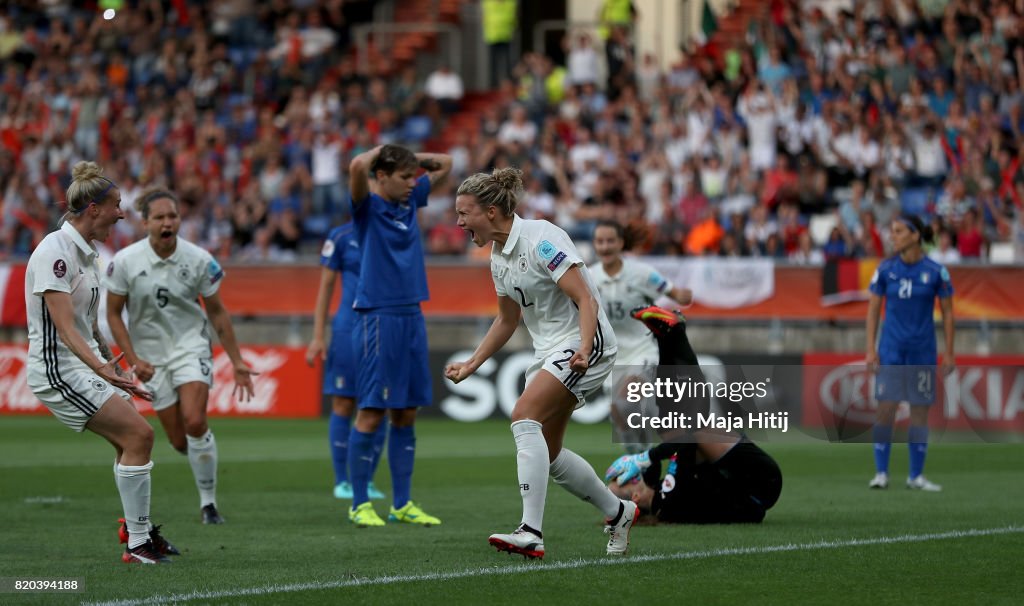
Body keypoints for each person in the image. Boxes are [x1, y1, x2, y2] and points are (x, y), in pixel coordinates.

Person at [445, 168, 637, 559]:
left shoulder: (542, 239)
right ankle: (619, 512)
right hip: (549, 350)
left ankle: (530, 531)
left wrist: (584, 347)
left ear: (493, 211)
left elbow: (586, 299)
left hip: (585, 341)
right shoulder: (498, 258)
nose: (459, 222)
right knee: (548, 453)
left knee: (523, 416)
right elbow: (508, 320)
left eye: (465, 213)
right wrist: (472, 364)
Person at [25, 161, 177, 564]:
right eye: (116, 205)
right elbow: (65, 328)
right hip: (56, 369)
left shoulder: (89, 255)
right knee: (139, 436)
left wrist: (115, 366)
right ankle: (139, 543)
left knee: (129, 440)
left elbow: (89, 325)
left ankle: (136, 532)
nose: (122, 213)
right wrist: (100, 369)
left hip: (81, 363)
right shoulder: (53, 254)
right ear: (93, 209)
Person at [105, 188, 256, 525]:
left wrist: (238, 361)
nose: (167, 222)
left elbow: (218, 314)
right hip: (149, 358)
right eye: (159, 217)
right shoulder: (125, 262)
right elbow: (114, 314)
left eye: (172, 216)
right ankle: (203, 454)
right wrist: (132, 358)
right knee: (177, 441)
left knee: (195, 420)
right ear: (145, 222)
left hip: (191, 347)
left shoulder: (200, 260)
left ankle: (208, 505)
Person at [345, 144, 452, 527]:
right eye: (404, 177)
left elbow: (447, 162)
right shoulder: (366, 208)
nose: (413, 183)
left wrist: (408, 160)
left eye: (413, 177)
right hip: (377, 315)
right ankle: (359, 503)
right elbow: (358, 164)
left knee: (406, 412)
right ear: (381, 176)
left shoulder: (409, 203)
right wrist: (388, 155)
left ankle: (402, 503)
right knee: (372, 411)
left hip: (411, 313)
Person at [866, 213, 955, 491]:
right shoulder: (885, 269)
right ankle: (881, 473)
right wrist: (870, 348)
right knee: (886, 409)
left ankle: (915, 476)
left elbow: (949, 313)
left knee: (919, 413)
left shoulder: (936, 271)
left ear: (915, 235)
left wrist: (950, 352)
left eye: (898, 231)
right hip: (891, 349)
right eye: (892, 231)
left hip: (922, 351)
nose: (892, 236)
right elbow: (872, 310)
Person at [590, 220, 692, 450]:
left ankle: (645, 459)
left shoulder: (641, 273)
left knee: (627, 401)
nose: (605, 247)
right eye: (600, 241)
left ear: (621, 243)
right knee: (620, 415)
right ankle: (639, 458)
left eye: (610, 241)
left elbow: (672, 292)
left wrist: (682, 296)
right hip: (611, 357)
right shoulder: (589, 278)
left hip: (642, 351)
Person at [305, 221, 388, 501]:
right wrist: (318, 336)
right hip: (347, 328)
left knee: (380, 404)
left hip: (383, 328)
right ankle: (342, 481)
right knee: (343, 401)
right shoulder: (340, 236)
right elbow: (325, 288)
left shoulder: (392, 230)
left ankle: (367, 481)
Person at [604, 430, 782, 524]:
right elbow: (688, 439)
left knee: (683, 437)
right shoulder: (669, 495)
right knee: (697, 430)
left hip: (747, 493)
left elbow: (653, 471)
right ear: (636, 497)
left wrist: (645, 458)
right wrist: (647, 456)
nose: (634, 473)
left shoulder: (661, 501)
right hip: (761, 485)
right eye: (629, 479)